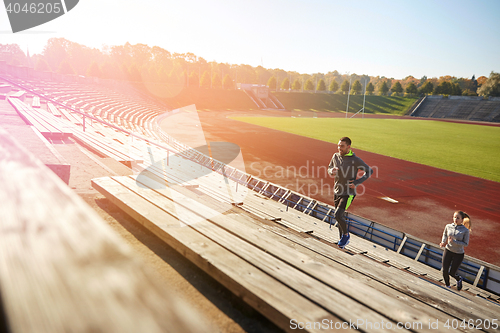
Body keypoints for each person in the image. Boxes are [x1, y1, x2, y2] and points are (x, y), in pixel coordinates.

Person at [328, 137, 373, 249]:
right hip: (337, 190)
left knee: (338, 214)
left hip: (348, 192)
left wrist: (357, 182)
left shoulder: (355, 160)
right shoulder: (335, 156)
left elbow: (369, 171)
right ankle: (341, 242)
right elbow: (329, 168)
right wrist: (331, 171)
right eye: (338, 145)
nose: (339, 148)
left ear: (348, 147)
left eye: (342, 146)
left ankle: (346, 236)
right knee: (339, 218)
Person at [439, 211, 471, 290]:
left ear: (462, 219)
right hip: (448, 250)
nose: (455, 219)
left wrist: (454, 242)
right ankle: (447, 286)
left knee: (452, 273)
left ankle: (458, 279)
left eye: (458, 218)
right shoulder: (448, 226)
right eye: (454, 217)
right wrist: (443, 242)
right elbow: (445, 234)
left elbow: (465, 243)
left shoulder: (465, 231)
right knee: (445, 270)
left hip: (458, 254)